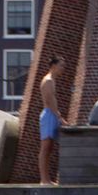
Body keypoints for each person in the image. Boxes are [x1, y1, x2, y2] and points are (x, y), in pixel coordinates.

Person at [38, 54, 67, 184]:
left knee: (49, 148)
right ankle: (44, 180)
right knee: (45, 147)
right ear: (54, 66)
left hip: (52, 114)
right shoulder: (48, 80)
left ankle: (47, 179)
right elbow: (50, 101)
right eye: (61, 65)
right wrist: (59, 117)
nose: (63, 68)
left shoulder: (51, 80)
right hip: (49, 115)